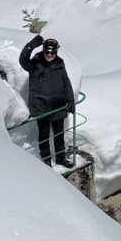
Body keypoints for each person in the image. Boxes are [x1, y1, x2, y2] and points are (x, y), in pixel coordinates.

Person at [18, 34, 75, 167]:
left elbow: (66, 82)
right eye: (47, 52)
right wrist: (30, 46)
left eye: (52, 52)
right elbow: (23, 61)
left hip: (58, 106)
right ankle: (47, 161)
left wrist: (70, 100)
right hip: (41, 106)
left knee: (59, 135)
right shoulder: (35, 63)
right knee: (44, 136)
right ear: (43, 50)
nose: (49, 55)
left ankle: (61, 158)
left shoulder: (60, 64)